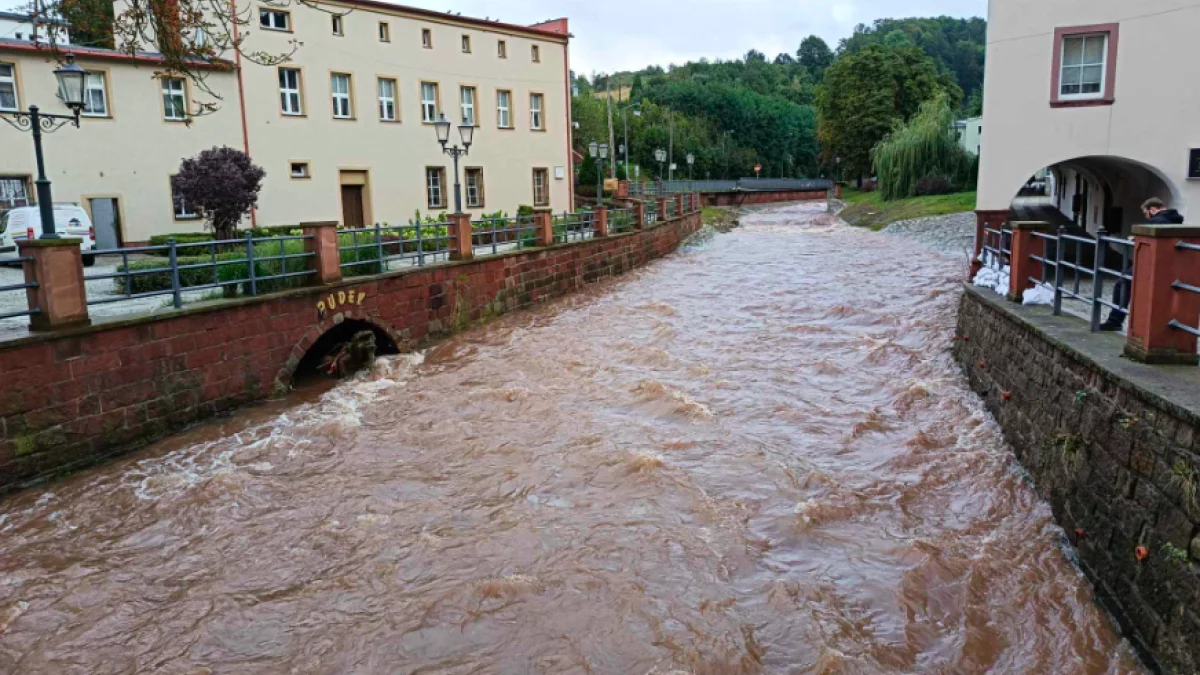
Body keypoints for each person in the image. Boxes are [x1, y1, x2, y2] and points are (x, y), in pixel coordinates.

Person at [1099, 198, 1184, 331]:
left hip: (1150, 262)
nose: (1146, 216)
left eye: (1146, 213)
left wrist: (1136, 237)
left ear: (1153, 209)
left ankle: (1115, 320)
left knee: (1122, 284)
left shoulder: (1157, 221)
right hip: (1170, 264)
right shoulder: (1176, 219)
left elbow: (1151, 236)